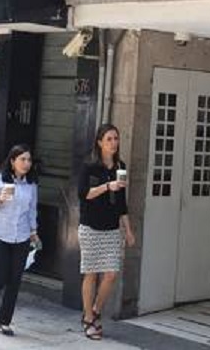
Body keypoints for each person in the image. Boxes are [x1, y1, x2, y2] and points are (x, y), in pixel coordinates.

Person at [77, 124, 136, 341]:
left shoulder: (120, 166)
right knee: (91, 273)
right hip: (91, 226)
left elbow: (121, 203)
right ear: (100, 142)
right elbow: (83, 194)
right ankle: (88, 318)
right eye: (109, 139)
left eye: (116, 138)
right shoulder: (90, 166)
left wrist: (128, 230)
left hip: (112, 228)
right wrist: (107, 186)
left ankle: (95, 311)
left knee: (111, 274)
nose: (113, 143)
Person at [0, 144, 39, 336]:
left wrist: (33, 231)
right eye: (22, 159)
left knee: (14, 281)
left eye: (29, 160)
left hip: (21, 236)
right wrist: (0, 199)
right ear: (12, 161)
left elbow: (32, 210)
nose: (26, 163)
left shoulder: (31, 185)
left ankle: (4, 321)